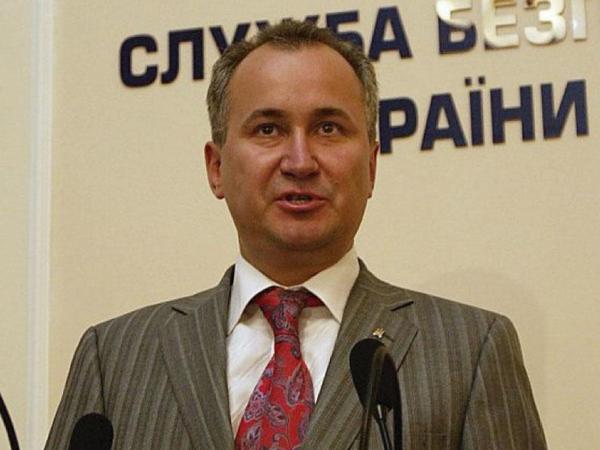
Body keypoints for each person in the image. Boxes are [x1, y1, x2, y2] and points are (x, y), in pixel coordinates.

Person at [45, 20, 547, 449]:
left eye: (328, 128)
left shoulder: (469, 350)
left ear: (371, 165)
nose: (301, 162)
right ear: (217, 168)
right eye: (268, 129)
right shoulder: (115, 356)